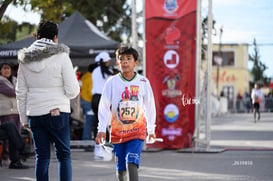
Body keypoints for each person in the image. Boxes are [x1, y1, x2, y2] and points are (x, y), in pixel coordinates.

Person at [16, 20, 80, 181]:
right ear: (55, 37)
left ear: (36, 36)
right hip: (57, 111)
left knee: (42, 156)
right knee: (63, 155)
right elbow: (73, 90)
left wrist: (23, 119)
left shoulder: (24, 59)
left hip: (34, 113)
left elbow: (20, 92)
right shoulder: (62, 56)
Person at [95, 45, 157, 181]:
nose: (124, 62)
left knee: (131, 162)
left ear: (136, 62)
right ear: (117, 62)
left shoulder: (143, 82)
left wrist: (151, 128)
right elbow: (104, 106)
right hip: (118, 132)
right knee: (121, 168)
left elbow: (150, 106)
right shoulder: (112, 82)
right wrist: (101, 129)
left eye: (128, 59)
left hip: (136, 131)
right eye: (121, 59)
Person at [0, 63, 21, 161]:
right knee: (8, 137)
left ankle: (16, 157)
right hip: (6, 112)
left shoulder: (15, 80)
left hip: (17, 111)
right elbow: (11, 92)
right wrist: (21, 93)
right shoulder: (0, 81)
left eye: (8, 68)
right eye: (4, 68)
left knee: (16, 135)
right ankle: (6, 156)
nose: (6, 70)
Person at [91, 51, 113, 140]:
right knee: (105, 120)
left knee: (97, 119)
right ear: (105, 62)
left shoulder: (94, 71)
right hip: (103, 98)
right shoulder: (109, 72)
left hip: (95, 98)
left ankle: (97, 138)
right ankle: (105, 138)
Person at [81, 64, 97, 140]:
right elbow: (91, 91)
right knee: (89, 122)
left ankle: (86, 139)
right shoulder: (91, 78)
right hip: (89, 102)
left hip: (84, 100)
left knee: (88, 121)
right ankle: (86, 140)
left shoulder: (85, 77)